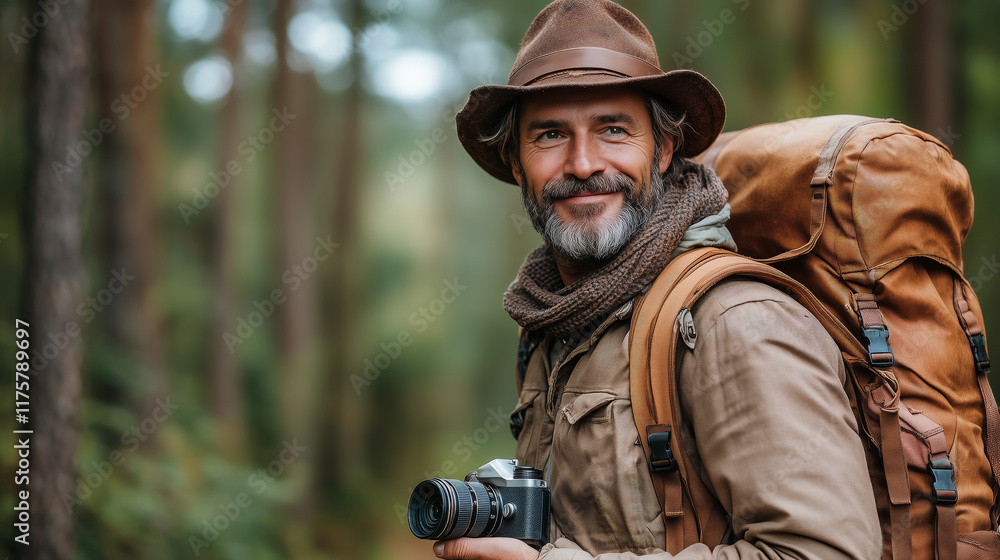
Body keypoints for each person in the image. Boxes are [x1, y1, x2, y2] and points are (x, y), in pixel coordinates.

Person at [440, 1, 882, 558]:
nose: (582, 164)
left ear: (665, 147)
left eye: (614, 130)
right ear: (515, 162)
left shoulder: (732, 321)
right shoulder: (554, 322)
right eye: (550, 135)